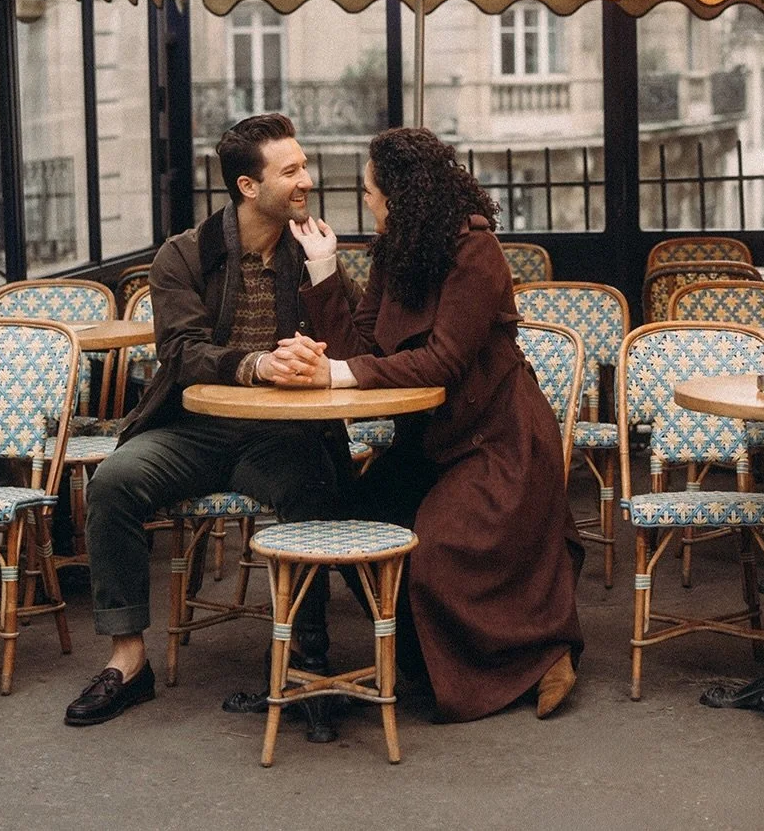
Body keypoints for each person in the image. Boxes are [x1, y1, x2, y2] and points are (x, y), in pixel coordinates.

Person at [64, 113, 356, 727]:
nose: (308, 179)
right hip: (193, 427)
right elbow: (181, 351)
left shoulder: (313, 247)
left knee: (312, 491)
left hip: (280, 434)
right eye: (292, 170)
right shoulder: (185, 254)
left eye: (304, 165)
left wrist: (327, 277)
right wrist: (256, 364)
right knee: (113, 483)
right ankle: (128, 660)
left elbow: (352, 343)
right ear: (249, 187)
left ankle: (309, 662)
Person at [286, 127, 585, 723]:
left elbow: (445, 361)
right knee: (356, 528)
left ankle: (537, 657)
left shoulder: (475, 251)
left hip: (499, 441)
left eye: (371, 192)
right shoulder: (396, 251)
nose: (367, 202)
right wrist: (324, 271)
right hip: (432, 441)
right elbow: (361, 345)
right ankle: (433, 661)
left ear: (400, 194)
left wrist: (337, 375)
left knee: (437, 552)